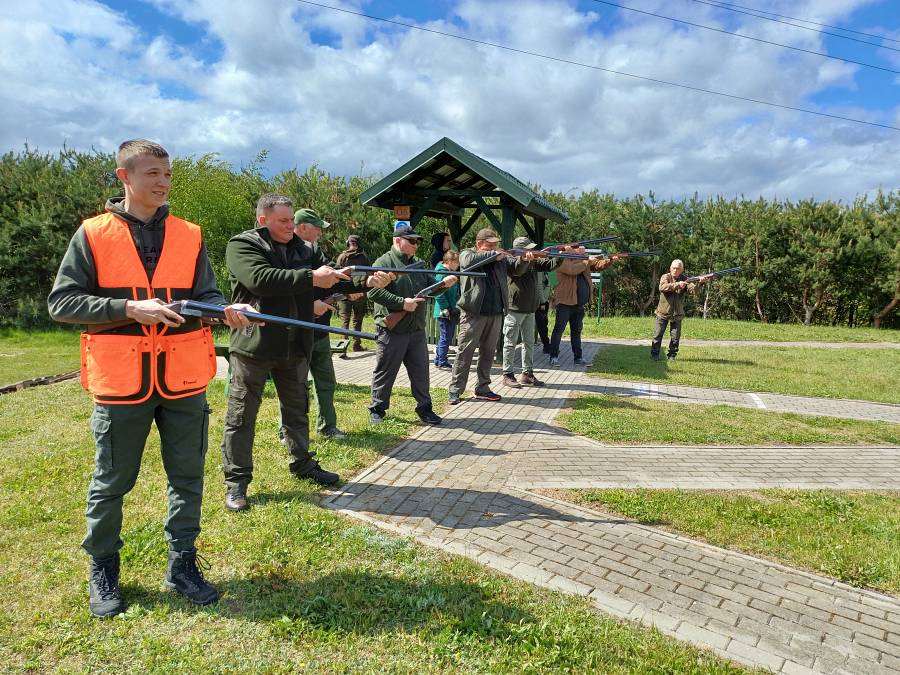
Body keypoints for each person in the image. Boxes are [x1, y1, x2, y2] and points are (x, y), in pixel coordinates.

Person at [47, 139, 256, 618]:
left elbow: (204, 295)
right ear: (124, 177)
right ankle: (103, 568)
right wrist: (127, 308)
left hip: (184, 379)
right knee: (111, 481)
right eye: (152, 174)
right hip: (122, 383)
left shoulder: (189, 234)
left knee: (188, 477)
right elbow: (62, 303)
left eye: (167, 174)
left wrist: (224, 309)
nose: (163, 183)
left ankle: (182, 564)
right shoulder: (92, 234)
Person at [220, 196, 391, 513]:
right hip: (254, 345)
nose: (291, 226)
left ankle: (302, 463)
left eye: (292, 220)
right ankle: (237, 483)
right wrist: (312, 277)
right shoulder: (243, 244)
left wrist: (366, 281)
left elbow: (331, 278)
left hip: (296, 344)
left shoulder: (304, 249)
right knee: (242, 415)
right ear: (263, 220)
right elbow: (260, 279)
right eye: (284, 221)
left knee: (298, 409)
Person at [367, 221, 458, 425]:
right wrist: (402, 303)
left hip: (416, 329)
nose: (416, 245)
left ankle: (425, 409)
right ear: (397, 240)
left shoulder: (418, 264)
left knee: (421, 372)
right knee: (385, 370)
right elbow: (373, 292)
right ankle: (377, 408)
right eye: (412, 241)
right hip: (392, 328)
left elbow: (430, 288)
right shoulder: (384, 262)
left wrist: (444, 285)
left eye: (417, 242)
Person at [448, 228, 534, 405]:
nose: (494, 247)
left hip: (495, 312)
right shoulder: (467, 254)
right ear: (479, 244)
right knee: (465, 353)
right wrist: (494, 255)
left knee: (488, 353)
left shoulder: (500, 258)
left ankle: (483, 388)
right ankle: (455, 390)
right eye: (490, 245)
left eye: (495, 245)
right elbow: (467, 262)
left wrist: (524, 260)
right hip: (473, 313)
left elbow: (516, 270)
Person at [293, 211, 351, 440]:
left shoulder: (315, 251)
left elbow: (330, 277)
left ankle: (327, 426)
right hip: (296, 333)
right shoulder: (286, 253)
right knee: (294, 387)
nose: (320, 232)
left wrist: (356, 284)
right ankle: (287, 431)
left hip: (320, 331)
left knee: (326, 381)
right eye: (316, 227)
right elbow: (282, 293)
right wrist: (310, 306)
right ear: (303, 227)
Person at [501, 236, 561, 388]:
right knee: (510, 343)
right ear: (520, 250)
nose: (532, 251)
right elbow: (518, 270)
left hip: (529, 308)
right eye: (528, 249)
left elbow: (549, 265)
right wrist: (524, 260)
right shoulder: (510, 261)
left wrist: (560, 255)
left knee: (528, 343)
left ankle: (527, 374)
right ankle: (507, 374)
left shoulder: (533, 260)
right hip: (514, 308)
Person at [548, 248, 611, 367]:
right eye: (582, 252)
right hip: (565, 303)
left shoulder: (583, 262)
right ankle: (553, 356)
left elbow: (597, 265)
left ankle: (578, 357)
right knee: (558, 330)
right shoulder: (561, 260)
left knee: (576, 332)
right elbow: (572, 270)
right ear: (573, 252)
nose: (585, 253)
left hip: (578, 304)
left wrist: (610, 259)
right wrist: (587, 261)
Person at [651, 259, 707, 361]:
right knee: (658, 335)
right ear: (670, 268)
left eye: (678, 268)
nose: (675, 270)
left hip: (677, 313)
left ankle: (672, 356)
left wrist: (700, 283)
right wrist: (677, 285)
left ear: (681, 270)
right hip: (663, 312)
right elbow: (662, 287)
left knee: (675, 337)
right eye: (673, 268)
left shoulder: (686, 279)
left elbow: (694, 291)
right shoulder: (665, 277)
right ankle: (655, 355)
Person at [335, 234, 370, 351]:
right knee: (358, 320)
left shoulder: (342, 257)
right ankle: (356, 345)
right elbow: (368, 274)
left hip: (344, 294)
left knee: (344, 321)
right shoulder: (364, 257)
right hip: (360, 293)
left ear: (348, 243)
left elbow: (337, 275)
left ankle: (342, 349)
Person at [433, 250, 460, 370]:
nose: (458, 265)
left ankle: (439, 360)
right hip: (444, 312)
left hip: (450, 309)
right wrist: (448, 308)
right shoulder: (441, 274)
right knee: (446, 337)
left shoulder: (449, 273)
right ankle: (442, 362)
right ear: (450, 261)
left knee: (447, 336)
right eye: (456, 262)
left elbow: (454, 292)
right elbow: (438, 294)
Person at [535, 270, 552, 354]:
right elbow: (538, 286)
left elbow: (552, 283)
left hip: (545, 300)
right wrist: (542, 302)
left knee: (544, 324)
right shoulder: (540, 269)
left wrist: (550, 298)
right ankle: (546, 345)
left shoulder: (550, 270)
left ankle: (546, 345)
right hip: (540, 302)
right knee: (542, 325)